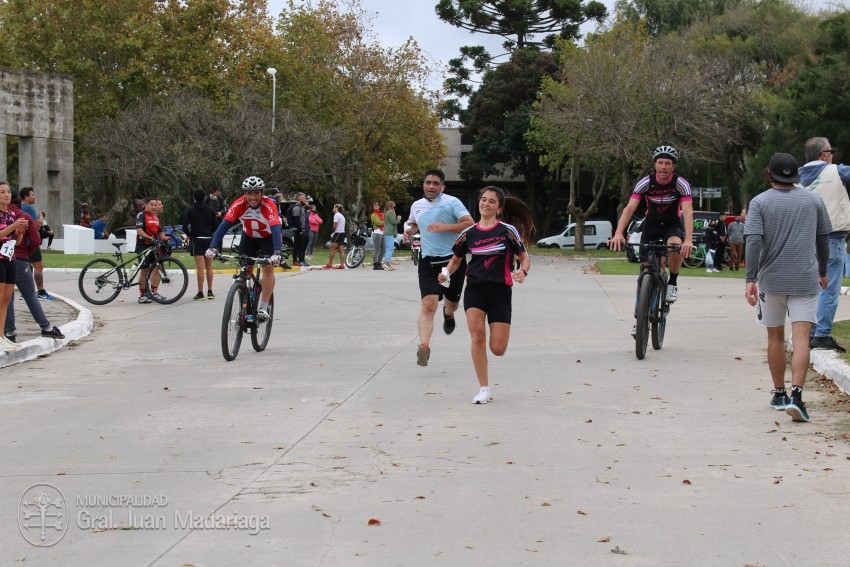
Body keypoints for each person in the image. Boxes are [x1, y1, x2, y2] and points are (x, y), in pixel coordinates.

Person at [744, 152, 831, 423]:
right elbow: (823, 239)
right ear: (796, 175)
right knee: (802, 338)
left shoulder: (759, 202)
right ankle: (797, 395)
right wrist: (823, 271)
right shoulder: (814, 200)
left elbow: (753, 241)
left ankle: (779, 393)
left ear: (769, 174)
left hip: (771, 280)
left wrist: (750, 278)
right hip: (805, 278)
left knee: (775, 337)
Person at [438, 186, 533, 404]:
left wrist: (523, 271)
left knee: (498, 349)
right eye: (483, 199)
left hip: (500, 292)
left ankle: (489, 371)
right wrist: (445, 273)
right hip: (475, 290)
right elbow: (455, 260)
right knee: (478, 337)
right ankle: (484, 388)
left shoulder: (507, 231)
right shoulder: (468, 233)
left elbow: (524, 257)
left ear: (499, 208)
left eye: (492, 201)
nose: (486, 203)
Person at [609, 145, 694, 336]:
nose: (663, 167)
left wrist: (688, 239)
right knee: (645, 271)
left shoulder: (681, 184)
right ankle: (639, 318)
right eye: (660, 163)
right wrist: (619, 233)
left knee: (675, 246)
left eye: (667, 163)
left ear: (673, 166)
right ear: (655, 164)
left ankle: (672, 282)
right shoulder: (645, 183)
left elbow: (688, 212)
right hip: (651, 225)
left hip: (672, 225)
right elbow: (629, 209)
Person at [404, 168, 474, 367]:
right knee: (428, 305)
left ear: (443, 186)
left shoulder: (452, 202)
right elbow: (413, 223)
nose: (431, 186)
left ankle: (448, 314)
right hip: (428, 262)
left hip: (453, 262)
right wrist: (410, 231)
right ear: (423, 185)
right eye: (428, 183)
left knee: (452, 304)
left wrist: (445, 227)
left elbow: (469, 223)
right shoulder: (417, 205)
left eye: (436, 183)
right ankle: (424, 346)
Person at [207, 176, 283, 321]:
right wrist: (213, 247)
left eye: (256, 193)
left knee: (268, 269)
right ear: (245, 194)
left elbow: (275, 228)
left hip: (267, 238)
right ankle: (245, 300)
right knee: (244, 270)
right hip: (249, 238)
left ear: (262, 193)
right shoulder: (239, 204)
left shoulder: (268, 205)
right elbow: (224, 226)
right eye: (249, 193)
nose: (252, 197)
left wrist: (277, 252)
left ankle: (263, 307)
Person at [799, 137, 850, 353]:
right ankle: (822, 333)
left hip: (806, 240)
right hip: (833, 237)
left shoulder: (798, 177)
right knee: (829, 288)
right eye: (831, 151)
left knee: (812, 289)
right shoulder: (836, 171)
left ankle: (810, 331)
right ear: (824, 155)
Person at [3, 191, 64, 343]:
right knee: (29, 295)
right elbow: (36, 240)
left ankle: (9, 332)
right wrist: (27, 253)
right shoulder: (23, 215)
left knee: (7, 298)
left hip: (6, 259)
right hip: (19, 259)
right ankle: (46, 327)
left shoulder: (9, 215)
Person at [0, 181, 28, 352]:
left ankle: (2, 336)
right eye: (2, 192)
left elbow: (16, 241)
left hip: (10, 258)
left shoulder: (11, 214)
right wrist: (13, 226)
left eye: (8, 192)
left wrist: (21, 231)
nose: (6, 195)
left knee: (6, 299)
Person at [182, 189, 217, 300]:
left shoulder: (190, 210)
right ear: (205, 197)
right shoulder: (210, 210)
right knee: (209, 266)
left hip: (197, 239)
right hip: (209, 239)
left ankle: (200, 292)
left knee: (200, 268)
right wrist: (209, 232)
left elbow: (184, 226)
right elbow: (215, 226)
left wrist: (190, 235)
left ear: (194, 197)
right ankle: (210, 291)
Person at [18, 187, 52, 299]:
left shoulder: (18, 207)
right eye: (32, 195)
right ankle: (41, 292)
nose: (34, 197)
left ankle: (25, 292)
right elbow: (37, 225)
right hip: (31, 242)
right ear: (26, 197)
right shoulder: (29, 208)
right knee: (38, 267)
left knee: (27, 266)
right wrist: (40, 217)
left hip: (22, 242)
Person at [135, 197, 168, 303]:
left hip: (154, 246)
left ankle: (154, 293)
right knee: (144, 270)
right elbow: (139, 231)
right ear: (146, 205)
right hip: (143, 245)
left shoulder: (156, 217)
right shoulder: (141, 215)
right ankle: (142, 295)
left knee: (158, 268)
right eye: (151, 204)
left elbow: (160, 231)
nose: (154, 207)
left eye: (155, 205)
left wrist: (164, 239)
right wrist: (149, 238)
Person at [325, 204, 346, 269]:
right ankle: (342, 264)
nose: (332, 209)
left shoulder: (336, 215)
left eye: (333, 208)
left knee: (332, 248)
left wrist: (332, 232)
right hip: (342, 233)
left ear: (336, 208)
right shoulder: (342, 216)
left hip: (337, 233)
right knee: (341, 249)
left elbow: (335, 225)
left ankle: (329, 264)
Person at [383, 201, 401, 270]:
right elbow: (394, 222)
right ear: (390, 206)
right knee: (390, 248)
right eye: (393, 205)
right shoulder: (390, 212)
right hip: (389, 232)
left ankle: (387, 264)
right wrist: (398, 219)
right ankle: (387, 263)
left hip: (387, 232)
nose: (394, 207)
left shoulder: (387, 213)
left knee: (388, 248)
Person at [370, 201, 385, 270]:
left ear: (379, 206)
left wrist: (384, 222)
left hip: (383, 233)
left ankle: (379, 263)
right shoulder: (373, 215)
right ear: (372, 207)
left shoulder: (382, 214)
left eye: (377, 205)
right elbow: (378, 223)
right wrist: (385, 222)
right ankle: (375, 264)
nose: (376, 206)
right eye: (374, 205)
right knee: (377, 250)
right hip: (377, 233)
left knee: (383, 250)